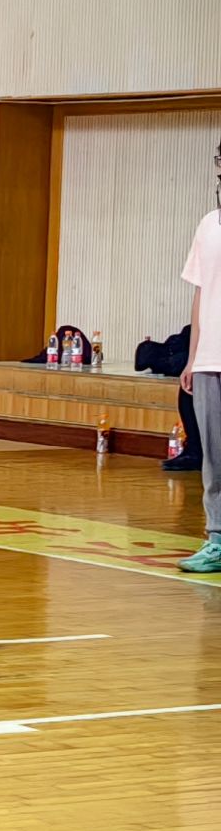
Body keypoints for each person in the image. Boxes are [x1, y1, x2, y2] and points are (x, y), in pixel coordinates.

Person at [178, 152, 221, 574]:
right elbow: (201, 293)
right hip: (210, 358)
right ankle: (217, 539)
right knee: (214, 457)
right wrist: (192, 356)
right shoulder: (209, 224)